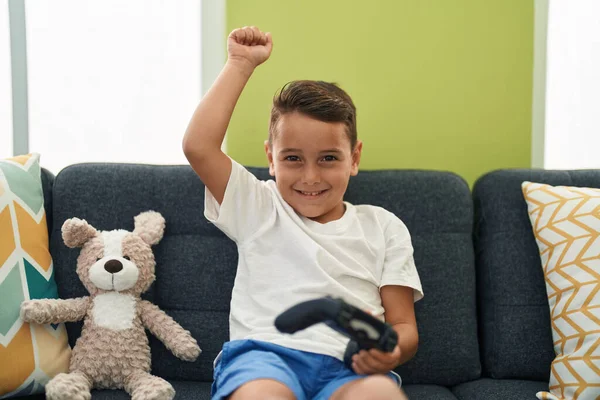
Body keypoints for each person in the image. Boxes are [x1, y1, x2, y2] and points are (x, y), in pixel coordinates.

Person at [182, 26, 423, 400]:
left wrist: (391, 350)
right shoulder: (258, 205)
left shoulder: (383, 226)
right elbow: (198, 146)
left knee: (380, 395)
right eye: (293, 158)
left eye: (328, 159)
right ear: (271, 159)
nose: (311, 177)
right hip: (264, 357)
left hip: (351, 366)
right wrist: (241, 63)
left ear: (354, 158)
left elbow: (404, 324)